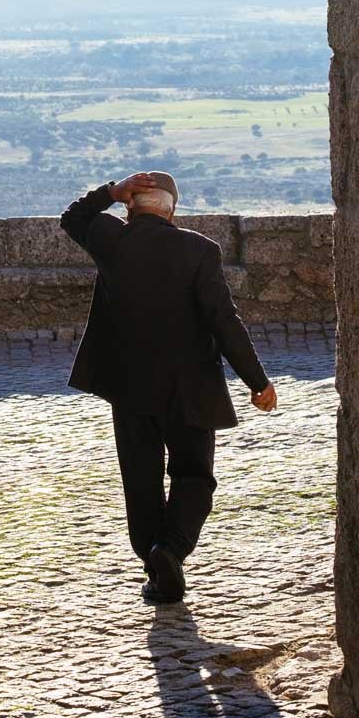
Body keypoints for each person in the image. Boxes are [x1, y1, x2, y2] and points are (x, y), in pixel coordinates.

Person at [59, 171, 277, 604]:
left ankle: (156, 571)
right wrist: (257, 381)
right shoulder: (200, 250)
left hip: (128, 387)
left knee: (140, 481)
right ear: (172, 209)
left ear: (130, 206)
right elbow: (223, 321)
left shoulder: (111, 240)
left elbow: (73, 217)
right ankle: (169, 550)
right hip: (191, 388)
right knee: (194, 477)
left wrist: (109, 191)